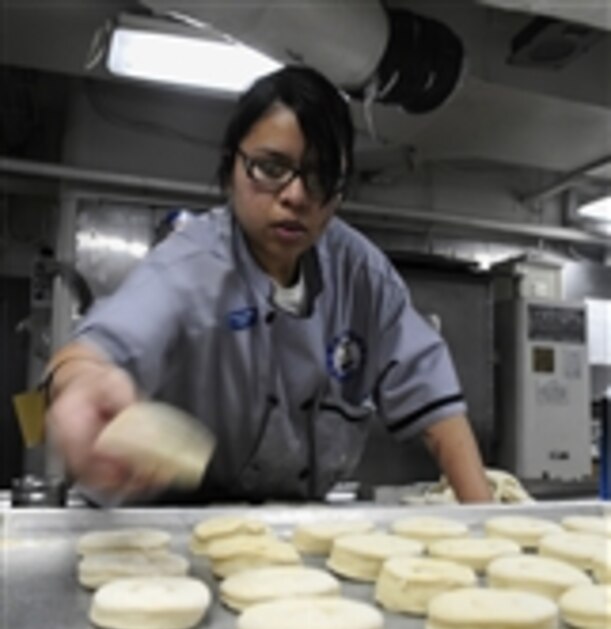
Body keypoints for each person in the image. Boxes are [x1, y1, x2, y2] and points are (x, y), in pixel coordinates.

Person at [45, 65, 491, 504]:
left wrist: (483, 529)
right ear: (230, 169)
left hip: (291, 528)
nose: (295, 195)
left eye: (320, 176)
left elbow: (439, 414)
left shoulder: (363, 277)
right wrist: (82, 385)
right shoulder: (189, 267)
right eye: (270, 167)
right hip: (168, 523)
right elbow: (94, 351)